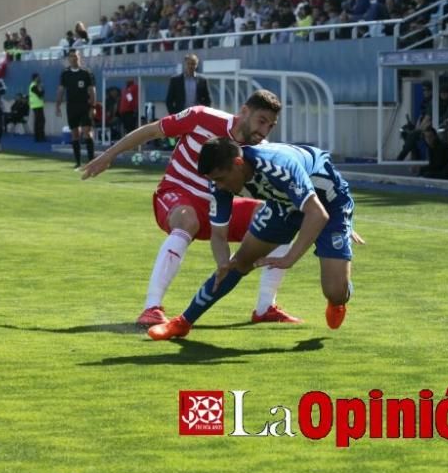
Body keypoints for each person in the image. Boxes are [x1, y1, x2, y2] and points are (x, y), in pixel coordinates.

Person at [81, 90, 300, 326]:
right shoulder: (201, 117)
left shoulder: (260, 152)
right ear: (244, 111)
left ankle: (265, 306)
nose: (264, 131)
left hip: (218, 208)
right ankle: (151, 307)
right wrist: (109, 155)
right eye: (261, 121)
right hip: (176, 195)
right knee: (188, 219)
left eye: (270, 125)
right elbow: (152, 130)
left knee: (281, 218)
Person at [147, 137, 359, 340]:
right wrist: (222, 263)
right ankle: (183, 322)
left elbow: (318, 214)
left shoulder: (278, 165)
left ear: (238, 163)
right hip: (283, 206)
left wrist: (289, 259)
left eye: (220, 179)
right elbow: (219, 234)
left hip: (330, 205)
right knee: (238, 263)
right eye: (213, 180)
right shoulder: (219, 181)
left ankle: (338, 299)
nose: (218, 186)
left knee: (335, 292)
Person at [56, 50, 97, 169]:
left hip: (85, 106)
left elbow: (92, 90)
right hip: (71, 107)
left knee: (87, 132)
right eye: (71, 56)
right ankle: (78, 162)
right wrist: (58, 105)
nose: (74, 58)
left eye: (76, 56)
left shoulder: (86, 73)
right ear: (68, 59)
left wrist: (93, 107)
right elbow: (61, 89)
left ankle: (91, 161)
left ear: (79, 57)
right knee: (75, 134)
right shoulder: (65, 73)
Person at [29, 73, 46, 142]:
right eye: (38, 77)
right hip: (36, 106)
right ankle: (38, 137)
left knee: (41, 121)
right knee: (39, 122)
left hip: (38, 105)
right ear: (35, 78)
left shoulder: (36, 85)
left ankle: (40, 136)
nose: (39, 78)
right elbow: (40, 94)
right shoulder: (33, 86)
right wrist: (42, 88)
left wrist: (41, 89)